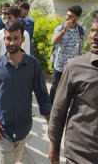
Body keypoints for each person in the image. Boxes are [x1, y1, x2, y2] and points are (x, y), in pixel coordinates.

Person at [0, 21, 51, 164]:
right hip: (3, 129)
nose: (12, 42)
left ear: (23, 39)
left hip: (24, 128)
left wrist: (50, 123)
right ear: (4, 39)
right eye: (9, 38)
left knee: (16, 160)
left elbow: (42, 95)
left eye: (16, 38)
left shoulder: (33, 65)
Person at [48, 11, 98, 164]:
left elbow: (80, 46)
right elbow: (59, 110)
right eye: (93, 30)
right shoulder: (60, 28)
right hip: (80, 154)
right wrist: (53, 147)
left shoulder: (81, 30)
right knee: (56, 93)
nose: (94, 36)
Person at [49, 5, 86, 104]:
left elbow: (80, 49)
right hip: (60, 66)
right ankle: (50, 107)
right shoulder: (60, 28)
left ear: (77, 18)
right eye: (67, 15)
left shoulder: (82, 31)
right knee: (56, 87)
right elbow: (54, 42)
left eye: (71, 16)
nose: (67, 18)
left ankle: (65, 108)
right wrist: (64, 30)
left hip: (73, 67)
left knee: (70, 89)